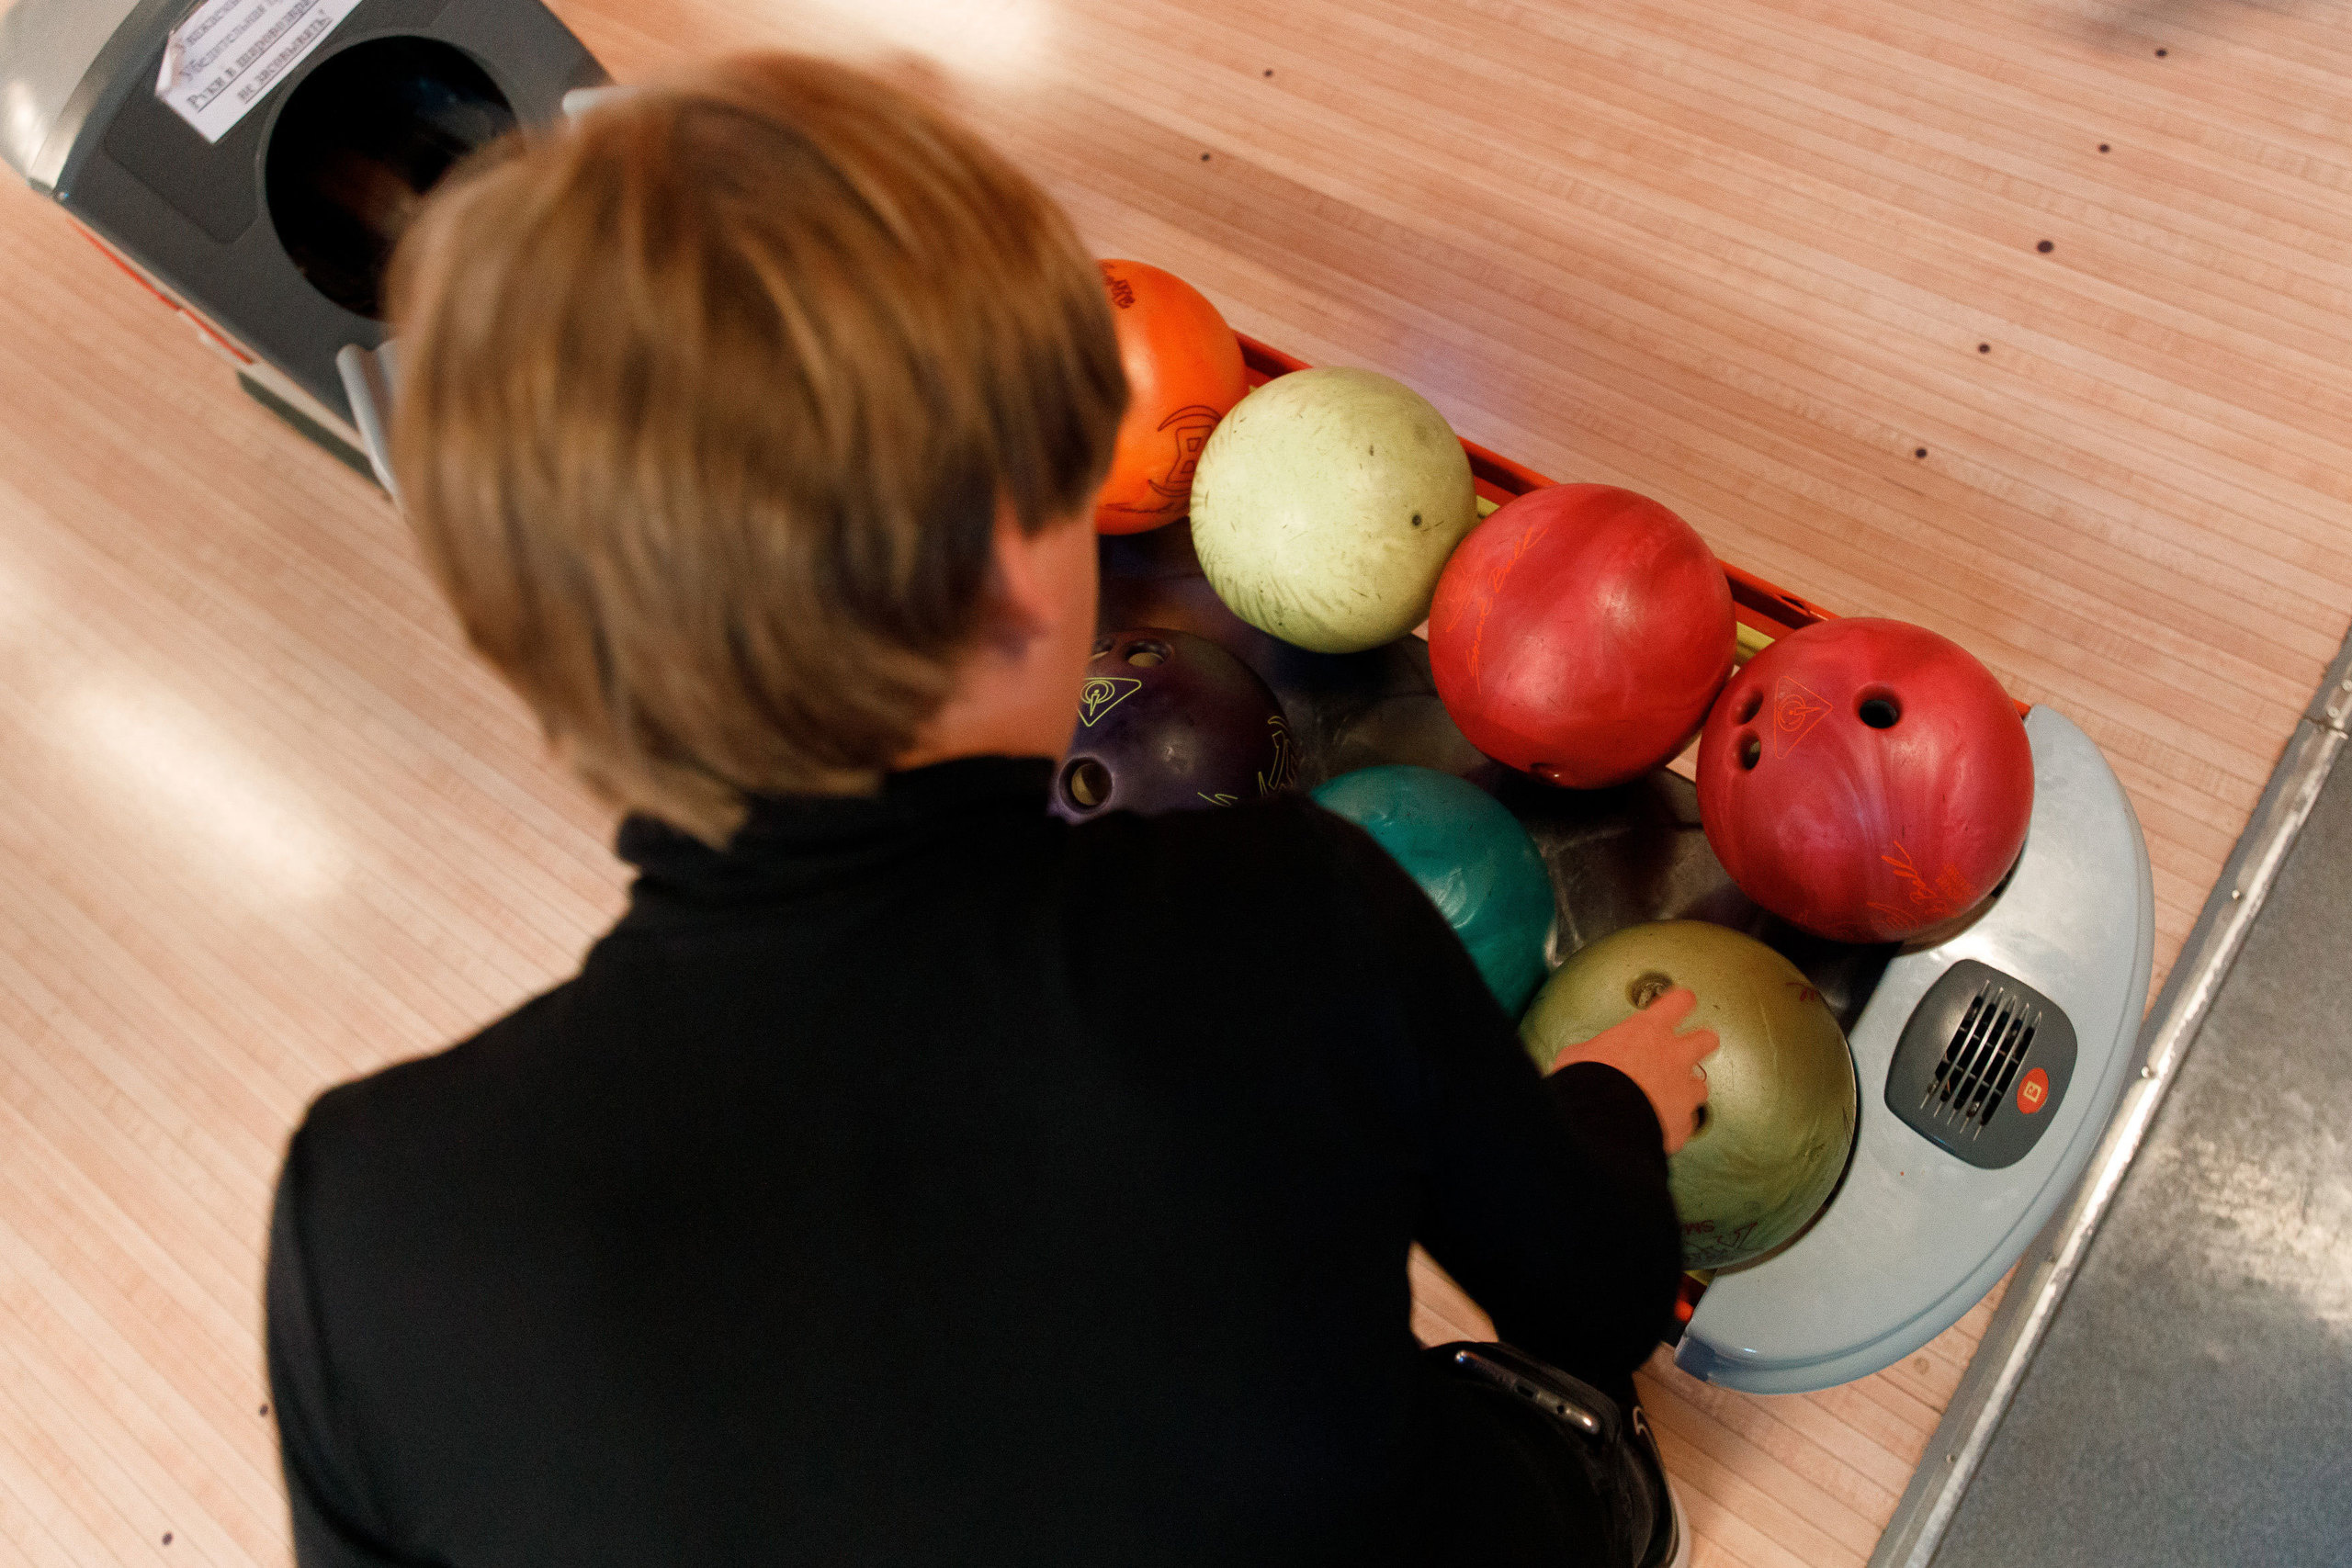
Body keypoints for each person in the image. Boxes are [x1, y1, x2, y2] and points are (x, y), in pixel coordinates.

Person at [264, 52, 1715, 1568]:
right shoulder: (1283, 909)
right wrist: (1606, 1104)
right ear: (1023, 557)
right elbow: (1600, 1292)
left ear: (542, 665)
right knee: (1547, 1418)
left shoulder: (359, 1225)